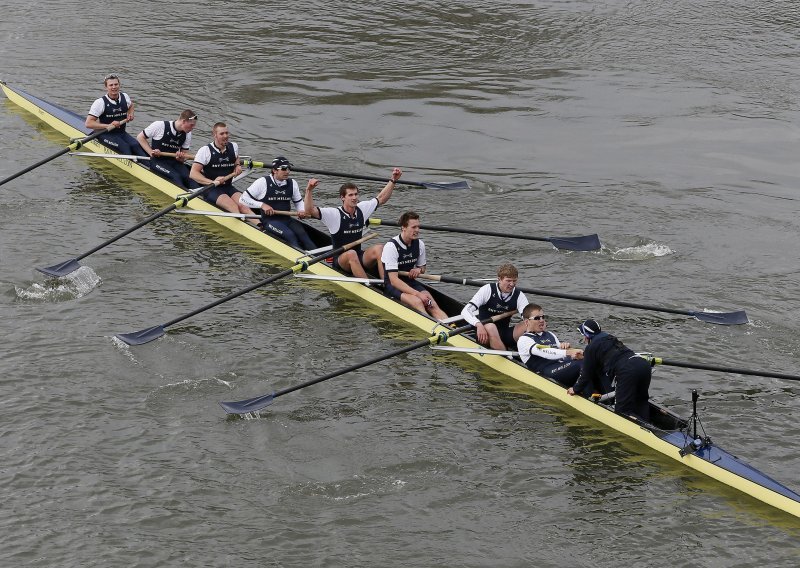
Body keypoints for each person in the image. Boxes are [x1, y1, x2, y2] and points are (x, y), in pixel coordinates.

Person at [304, 168, 401, 278]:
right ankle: (368, 288)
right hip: (340, 260)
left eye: (356, 194)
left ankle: (387, 284)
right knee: (351, 254)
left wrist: (393, 180)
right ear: (342, 198)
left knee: (379, 248)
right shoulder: (334, 214)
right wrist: (309, 190)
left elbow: (381, 198)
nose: (354, 198)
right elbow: (309, 211)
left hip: (358, 256)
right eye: (350, 195)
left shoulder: (362, 209)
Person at [568, 319, 652, 421]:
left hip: (627, 371)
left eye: (584, 337)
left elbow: (586, 375)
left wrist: (575, 389)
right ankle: (647, 423)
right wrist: (585, 355)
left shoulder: (591, 347)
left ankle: (645, 431)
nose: (584, 340)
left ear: (587, 336)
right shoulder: (610, 338)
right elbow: (608, 354)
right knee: (641, 401)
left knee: (621, 413)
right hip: (643, 364)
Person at [380, 211, 448, 320]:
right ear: (403, 227)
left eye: (418, 227)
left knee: (432, 304)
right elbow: (393, 280)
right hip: (393, 285)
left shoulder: (420, 244)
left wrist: (418, 270)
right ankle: (430, 326)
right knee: (418, 302)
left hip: (410, 282)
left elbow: (423, 268)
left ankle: (452, 327)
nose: (417, 230)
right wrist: (418, 294)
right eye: (413, 227)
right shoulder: (391, 247)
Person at [239, 156, 316, 250]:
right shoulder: (262, 182)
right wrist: (262, 205)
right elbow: (242, 199)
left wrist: (301, 211)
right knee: (290, 235)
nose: (287, 171)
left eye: (289, 168)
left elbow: (298, 202)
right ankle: (302, 258)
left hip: (287, 219)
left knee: (304, 235)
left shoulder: (292, 183)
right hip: (270, 221)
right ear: (274, 170)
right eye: (283, 169)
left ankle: (323, 259)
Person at [461, 263, 529, 350]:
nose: (512, 284)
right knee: (491, 326)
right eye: (508, 281)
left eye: (514, 281)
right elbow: (465, 311)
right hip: (484, 334)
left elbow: (529, 317)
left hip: (504, 333)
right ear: (499, 279)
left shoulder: (519, 296)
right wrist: (478, 324)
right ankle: (507, 359)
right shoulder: (487, 290)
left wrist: (535, 323)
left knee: (529, 324)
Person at [517, 303, 584, 387]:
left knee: (589, 361)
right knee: (580, 364)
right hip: (545, 374)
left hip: (558, 368)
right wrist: (568, 352)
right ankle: (589, 395)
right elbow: (543, 351)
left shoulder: (550, 334)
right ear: (527, 322)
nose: (541, 320)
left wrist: (571, 352)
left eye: (543, 317)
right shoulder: (524, 340)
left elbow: (559, 353)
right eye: (537, 318)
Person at [189, 122, 246, 214]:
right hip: (211, 189)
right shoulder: (205, 151)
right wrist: (213, 182)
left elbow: (236, 158)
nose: (225, 136)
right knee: (234, 207)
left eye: (227, 133)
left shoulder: (234, 146)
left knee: (245, 206)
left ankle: (261, 227)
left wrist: (237, 165)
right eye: (222, 134)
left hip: (228, 187)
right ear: (214, 135)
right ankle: (244, 226)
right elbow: (193, 174)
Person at [85, 73, 147, 157]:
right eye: (111, 85)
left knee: (137, 146)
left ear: (119, 85)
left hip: (121, 133)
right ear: (106, 87)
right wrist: (108, 125)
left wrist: (130, 113)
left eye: (116, 84)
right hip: (105, 134)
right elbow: (88, 123)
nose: (114, 87)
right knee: (126, 149)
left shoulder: (125, 97)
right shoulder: (100, 102)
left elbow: (131, 105)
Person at [136, 110, 197, 188]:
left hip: (174, 161)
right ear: (184, 121)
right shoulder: (160, 125)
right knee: (176, 177)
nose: (193, 128)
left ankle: (200, 197)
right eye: (191, 125)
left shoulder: (188, 134)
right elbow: (140, 137)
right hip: (157, 161)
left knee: (190, 178)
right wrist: (151, 152)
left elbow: (183, 158)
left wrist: (180, 158)